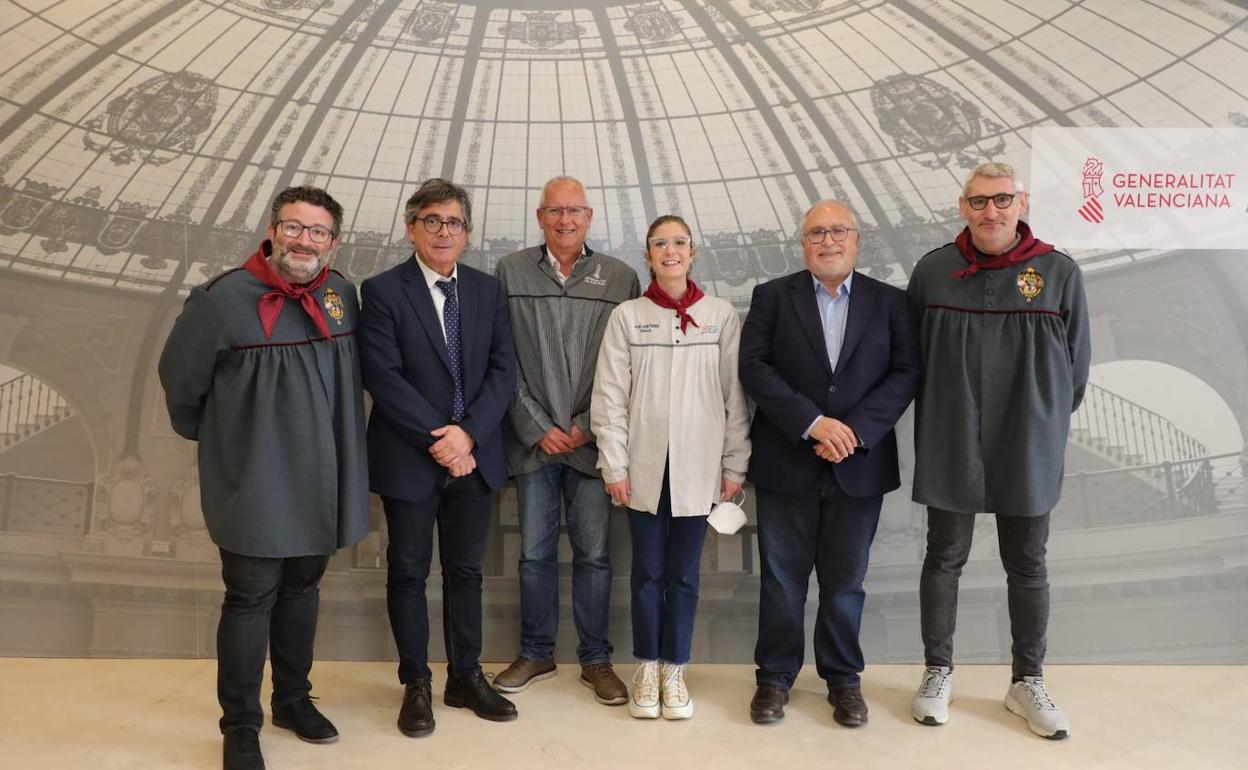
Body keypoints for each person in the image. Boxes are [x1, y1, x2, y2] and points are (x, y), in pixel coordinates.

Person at [158, 185, 370, 770]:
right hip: (257, 478)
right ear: (273, 230)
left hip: (322, 480)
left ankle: (294, 700)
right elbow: (182, 385)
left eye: (319, 231)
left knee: (304, 589)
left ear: (334, 240)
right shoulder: (220, 301)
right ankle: (241, 724)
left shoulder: (341, 295)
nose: (306, 240)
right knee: (250, 597)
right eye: (294, 227)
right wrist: (232, 445)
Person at [907, 162, 1090, 740]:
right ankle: (938, 672)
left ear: (1022, 201)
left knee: (1028, 563)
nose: (992, 212)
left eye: (1002, 200)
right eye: (979, 201)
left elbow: (1076, 369)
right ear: (963, 206)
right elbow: (909, 357)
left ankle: (1027, 681)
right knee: (944, 555)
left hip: (1027, 437)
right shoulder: (935, 272)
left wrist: (1039, 419)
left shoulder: (1057, 272)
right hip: (950, 433)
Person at [740, 200, 920, 728]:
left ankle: (843, 680)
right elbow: (754, 366)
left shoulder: (891, 302)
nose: (828, 240)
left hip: (859, 464)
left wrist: (855, 431)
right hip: (786, 460)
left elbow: (906, 372)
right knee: (780, 581)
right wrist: (813, 423)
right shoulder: (772, 297)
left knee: (846, 583)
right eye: (817, 232)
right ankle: (773, 678)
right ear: (803, 243)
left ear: (857, 240)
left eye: (838, 231)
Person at [357, 178, 518, 737]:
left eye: (453, 222)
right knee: (407, 572)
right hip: (409, 456)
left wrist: (468, 436)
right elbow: (383, 377)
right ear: (411, 228)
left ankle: (465, 677)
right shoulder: (380, 291)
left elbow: (504, 372)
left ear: (466, 233)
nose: (443, 231)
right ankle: (416, 684)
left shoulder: (487, 290)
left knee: (466, 572)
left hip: (474, 457)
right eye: (431, 220)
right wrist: (441, 439)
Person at [591, 214, 751, 720]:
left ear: (693, 251)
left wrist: (734, 464)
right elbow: (609, 397)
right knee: (646, 573)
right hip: (642, 470)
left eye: (679, 242)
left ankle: (676, 668)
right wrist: (614, 464)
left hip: (699, 470)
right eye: (660, 243)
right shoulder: (627, 316)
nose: (671, 251)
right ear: (649, 255)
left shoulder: (721, 315)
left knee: (683, 576)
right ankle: (646, 665)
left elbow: (735, 397)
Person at [492, 176, 640, 704]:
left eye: (574, 210)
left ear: (589, 217)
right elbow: (500, 359)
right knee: (533, 555)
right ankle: (536, 651)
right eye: (555, 211)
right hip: (533, 444)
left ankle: (596, 659)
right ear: (540, 217)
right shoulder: (509, 272)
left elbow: (629, 366)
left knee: (595, 556)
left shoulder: (620, 278)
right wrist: (538, 427)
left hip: (592, 443)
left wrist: (585, 424)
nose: (565, 220)